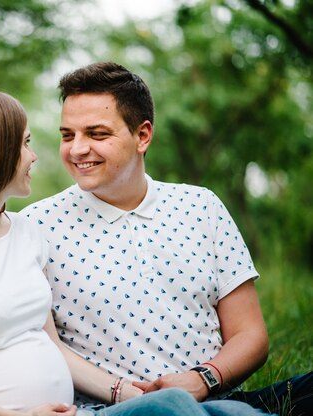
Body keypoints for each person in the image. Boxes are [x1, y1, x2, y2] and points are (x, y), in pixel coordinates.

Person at [0, 89, 267, 416]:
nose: (35, 156)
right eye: (26, 143)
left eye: (96, 133)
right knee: (174, 409)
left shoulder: (25, 233)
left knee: (232, 411)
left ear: (142, 136)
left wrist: (129, 393)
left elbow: (49, 343)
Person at [17, 62, 312, 415]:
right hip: (111, 410)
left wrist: (205, 379)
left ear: (142, 136)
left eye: (96, 134)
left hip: (218, 398)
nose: (77, 149)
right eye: (68, 135)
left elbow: (250, 335)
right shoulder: (34, 226)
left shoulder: (201, 206)